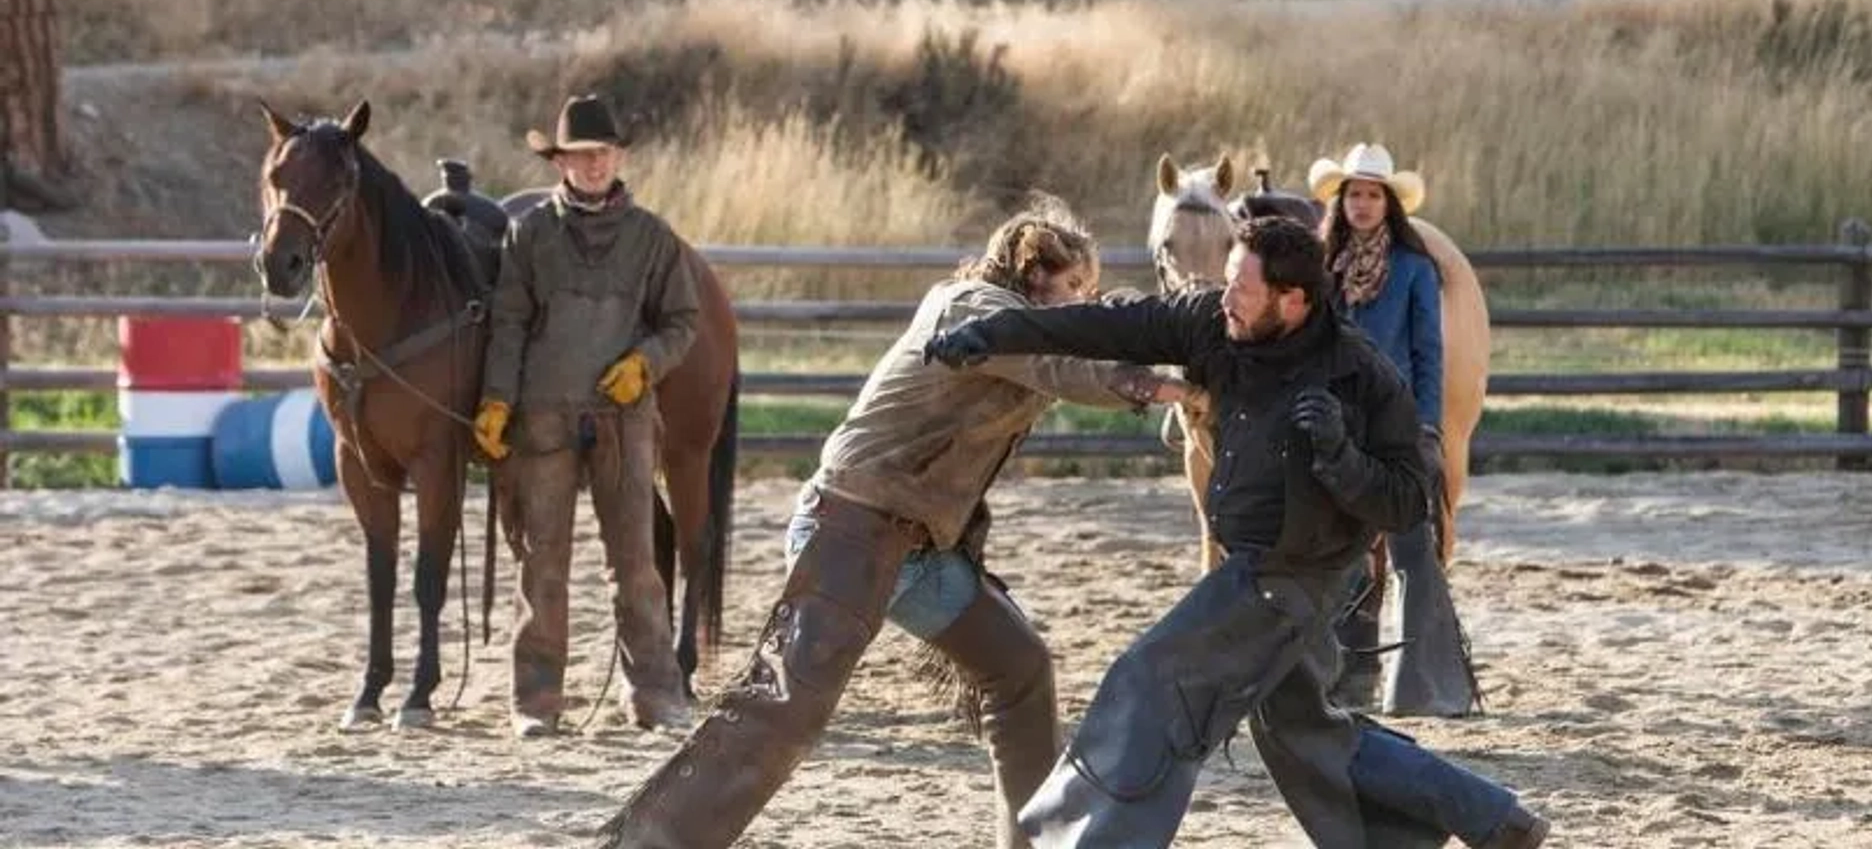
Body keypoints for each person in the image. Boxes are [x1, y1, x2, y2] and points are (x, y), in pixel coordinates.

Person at [594, 196, 1203, 849]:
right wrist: (1175, 390)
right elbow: (1063, 365)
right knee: (783, 708)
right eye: (1075, 285)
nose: (1084, 299)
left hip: (919, 548)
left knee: (1019, 670)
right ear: (1033, 273)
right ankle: (648, 842)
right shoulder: (975, 312)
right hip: (850, 529)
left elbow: (1085, 343)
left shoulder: (1025, 325)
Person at [922, 215, 1549, 849]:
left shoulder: (1359, 376)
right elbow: (1102, 325)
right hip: (1253, 564)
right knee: (1306, 733)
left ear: (1293, 301)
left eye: (1241, 291)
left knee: (1149, 679)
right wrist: (995, 333)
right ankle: (1493, 820)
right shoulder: (1212, 323)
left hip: (1294, 579)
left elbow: (1410, 501)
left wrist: (1342, 457)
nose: (1226, 300)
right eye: (1227, 284)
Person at [473, 94, 699, 739]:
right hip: (541, 421)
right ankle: (535, 705)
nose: (593, 164)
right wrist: (496, 401)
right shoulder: (530, 234)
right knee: (541, 562)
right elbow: (510, 323)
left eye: (602, 153)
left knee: (634, 563)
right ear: (561, 163)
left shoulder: (653, 239)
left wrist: (645, 364)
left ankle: (657, 697)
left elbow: (683, 322)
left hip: (623, 423)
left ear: (619, 157)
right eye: (580, 155)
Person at [1308, 143, 1479, 717]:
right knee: (1343, 548)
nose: (1361, 204)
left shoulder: (1412, 269)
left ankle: (1423, 680)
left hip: (1396, 419)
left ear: (1388, 204)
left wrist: (1428, 425)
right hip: (1337, 421)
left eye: (1371, 195)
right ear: (1341, 201)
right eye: (1352, 194)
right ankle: (1349, 674)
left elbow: (1428, 350)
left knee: (1409, 549)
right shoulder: (1320, 267)